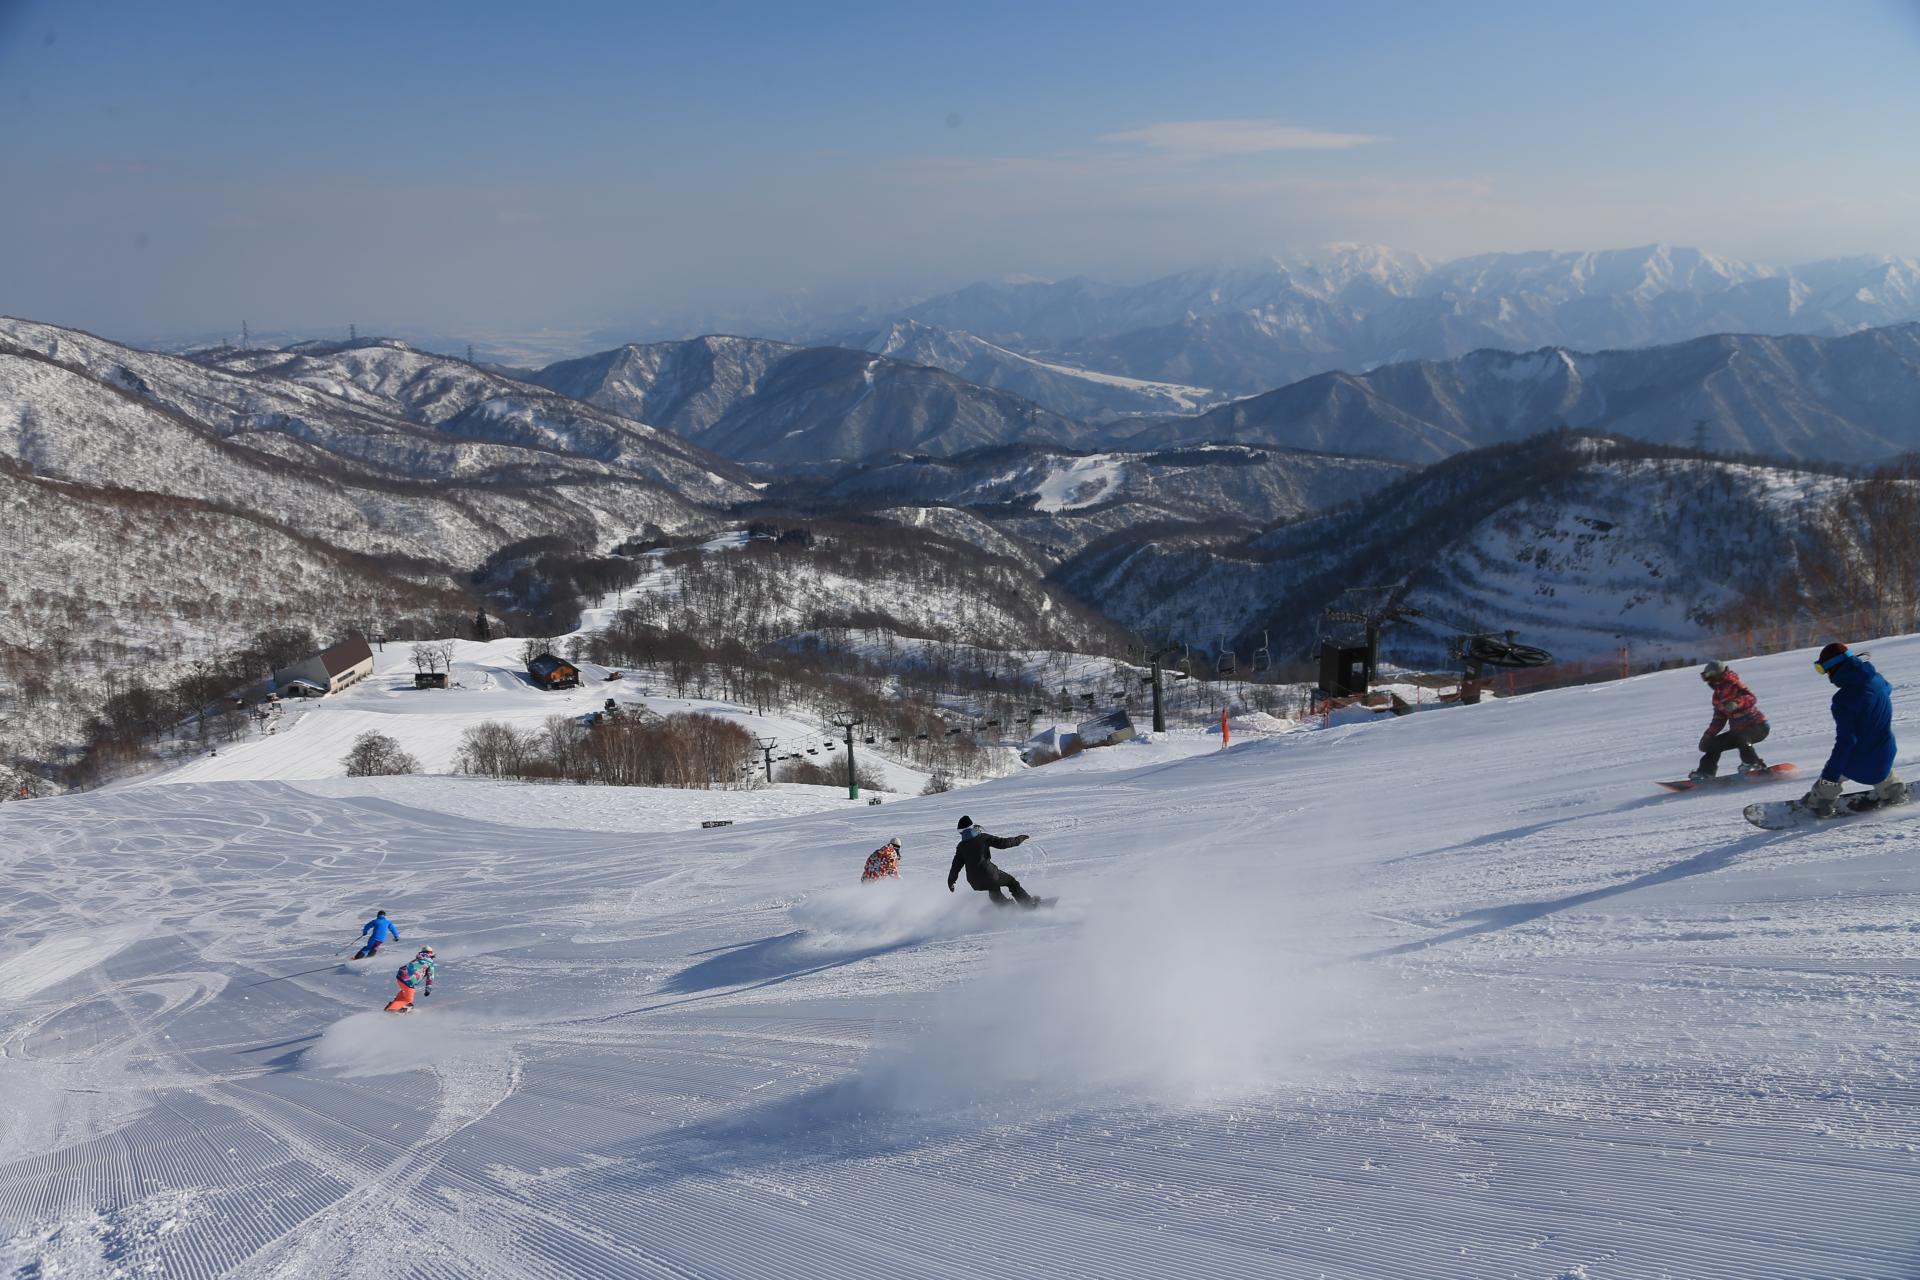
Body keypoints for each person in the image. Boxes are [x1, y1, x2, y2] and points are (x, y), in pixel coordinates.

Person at [1804, 642, 1907, 816]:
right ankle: (1893, 791)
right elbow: (1887, 689)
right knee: (1877, 761)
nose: (1827, 675)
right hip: (1886, 754)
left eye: (1824, 670)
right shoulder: (1878, 680)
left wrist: (1829, 776)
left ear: (1833, 667)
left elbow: (1847, 742)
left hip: (1860, 763)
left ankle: (1821, 803)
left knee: (1837, 769)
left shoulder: (1843, 699)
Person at [1691, 660, 1771, 781]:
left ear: (1717, 674)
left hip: (1758, 726)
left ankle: (1754, 764)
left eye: (1709, 675)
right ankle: (1705, 772)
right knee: (1714, 744)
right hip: (1738, 731)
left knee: (1741, 737)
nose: (1708, 679)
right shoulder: (1717, 695)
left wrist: (1736, 703)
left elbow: (1751, 698)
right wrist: (1708, 736)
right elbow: (1719, 719)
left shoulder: (1734, 684)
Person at [948, 815, 1038, 907]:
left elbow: (956, 865)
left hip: (974, 881)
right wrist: (1019, 839)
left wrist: (951, 880)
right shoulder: (983, 838)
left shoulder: (961, 846)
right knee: (1012, 882)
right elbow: (1004, 843)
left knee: (993, 888)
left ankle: (1008, 910)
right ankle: (1028, 904)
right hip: (990, 874)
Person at [384, 946, 435, 1013]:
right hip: (408, 980)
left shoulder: (418, 958)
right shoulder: (429, 963)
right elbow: (430, 977)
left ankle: (393, 1005)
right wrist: (428, 988)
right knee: (408, 999)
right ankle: (392, 1011)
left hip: (400, 975)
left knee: (404, 993)